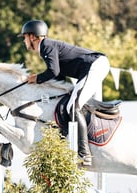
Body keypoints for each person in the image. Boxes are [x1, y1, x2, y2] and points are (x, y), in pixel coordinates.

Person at [18, 19, 110, 167]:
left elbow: (53, 71)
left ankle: (84, 153)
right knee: (69, 102)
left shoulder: (46, 45)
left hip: (95, 65)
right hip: (91, 67)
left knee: (73, 107)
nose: (24, 41)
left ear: (33, 36)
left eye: (25, 37)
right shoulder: (46, 47)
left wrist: (37, 79)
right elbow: (59, 75)